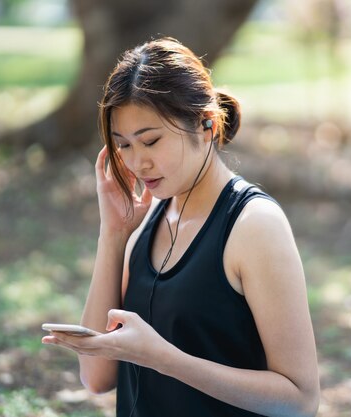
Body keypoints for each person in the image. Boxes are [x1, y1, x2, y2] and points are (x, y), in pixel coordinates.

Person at [42, 37, 320, 417]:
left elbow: (300, 400)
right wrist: (114, 234)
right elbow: (96, 376)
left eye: (151, 141)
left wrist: (164, 359)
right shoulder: (149, 219)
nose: (138, 164)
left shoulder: (254, 226)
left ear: (206, 124)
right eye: (123, 145)